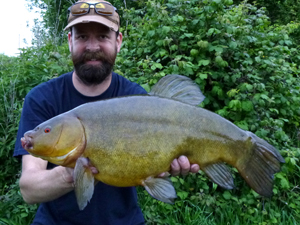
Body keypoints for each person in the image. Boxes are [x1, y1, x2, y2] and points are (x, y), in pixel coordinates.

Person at [14, 0, 200, 224]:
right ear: (70, 41)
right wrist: (76, 169)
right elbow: (29, 189)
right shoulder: (42, 98)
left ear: (118, 42)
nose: (92, 46)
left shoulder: (137, 98)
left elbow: (156, 166)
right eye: (82, 37)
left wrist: (170, 163)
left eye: (103, 36)